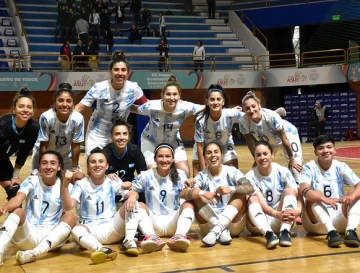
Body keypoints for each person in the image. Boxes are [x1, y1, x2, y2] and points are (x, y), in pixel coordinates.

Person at [61, 148, 142, 261]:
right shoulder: (81, 184)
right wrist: (65, 186)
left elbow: (132, 194)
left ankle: (129, 240)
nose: (97, 165)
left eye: (101, 161)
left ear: (107, 166)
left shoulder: (113, 181)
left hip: (112, 229)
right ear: (88, 167)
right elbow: (68, 206)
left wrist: (133, 196)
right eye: (93, 162)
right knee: (75, 230)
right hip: (90, 231)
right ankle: (102, 250)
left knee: (132, 202)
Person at [0, 151, 76, 266]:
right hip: (28, 235)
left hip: (50, 239)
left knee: (70, 217)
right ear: (39, 167)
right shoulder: (32, 180)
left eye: (52, 163)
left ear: (59, 167)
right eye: (44, 163)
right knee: (17, 211)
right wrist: (3, 208)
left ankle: (35, 253)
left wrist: (65, 185)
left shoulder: (66, 186)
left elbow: (67, 207)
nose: (48, 167)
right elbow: (17, 199)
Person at [182, 141, 253, 247]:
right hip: (209, 224)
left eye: (216, 152)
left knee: (240, 193)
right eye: (209, 153)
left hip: (233, 224)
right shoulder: (202, 176)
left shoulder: (232, 171)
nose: (213, 155)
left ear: (222, 155)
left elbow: (250, 188)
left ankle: (217, 229)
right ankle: (219, 229)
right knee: (195, 194)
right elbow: (183, 194)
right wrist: (202, 192)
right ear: (205, 157)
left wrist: (231, 189)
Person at [75, 57, 148, 155]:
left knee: (114, 167)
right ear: (110, 72)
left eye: (123, 70)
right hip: (97, 134)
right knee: (95, 164)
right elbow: (79, 107)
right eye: (116, 69)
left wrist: (165, 107)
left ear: (128, 73)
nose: (120, 73)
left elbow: (147, 105)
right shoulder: (99, 87)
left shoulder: (134, 88)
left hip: (118, 135)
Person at [131, 143, 195, 252]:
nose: (164, 160)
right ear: (154, 159)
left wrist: (190, 187)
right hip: (153, 224)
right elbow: (129, 189)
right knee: (140, 205)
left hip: (173, 223)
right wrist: (132, 195)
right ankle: (151, 237)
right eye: (160, 156)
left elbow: (188, 192)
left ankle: (179, 236)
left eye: (167, 156)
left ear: (173, 159)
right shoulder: (145, 175)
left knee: (188, 205)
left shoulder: (181, 175)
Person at [133, 81, 204, 177]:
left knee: (185, 172)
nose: (171, 98)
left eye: (175, 94)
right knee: (154, 174)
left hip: (173, 141)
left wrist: (226, 110)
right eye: (168, 94)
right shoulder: (152, 106)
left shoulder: (185, 107)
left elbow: (206, 107)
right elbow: (132, 108)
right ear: (162, 95)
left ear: (179, 96)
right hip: (151, 141)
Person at [299, 135, 360, 247]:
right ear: (315, 152)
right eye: (321, 148)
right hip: (315, 222)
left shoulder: (341, 166)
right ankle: (331, 232)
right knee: (315, 194)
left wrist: (352, 196)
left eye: (329, 147)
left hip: (339, 217)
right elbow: (303, 189)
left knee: (355, 194)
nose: (325, 150)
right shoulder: (309, 167)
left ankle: (350, 230)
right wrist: (323, 199)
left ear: (334, 150)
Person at [246, 141, 301, 249]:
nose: (262, 157)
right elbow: (262, 204)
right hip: (258, 224)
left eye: (265, 154)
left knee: (290, 191)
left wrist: (298, 211)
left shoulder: (282, 171)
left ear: (272, 155)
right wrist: (277, 214)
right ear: (255, 158)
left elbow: (298, 195)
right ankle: (269, 234)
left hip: (281, 218)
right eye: (258, 155)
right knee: (253, 198)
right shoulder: (249, 176)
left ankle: (284, 232)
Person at [239, 91, 303, 182]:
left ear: (259, 105)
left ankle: (299, 190)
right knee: (257, 167)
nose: (251, 110)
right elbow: (250, 142)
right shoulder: (243, 121)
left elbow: (284, 138)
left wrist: (291, 159)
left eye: (253, 106)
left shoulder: (271, 116)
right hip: (268, 140)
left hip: (288, 136)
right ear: (244, 110)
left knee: (295, 169)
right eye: (247, 108)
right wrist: (255, 158)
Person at [31, 83, 85, 181]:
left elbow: (75, 145)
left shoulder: (78, 118)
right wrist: (42, 166)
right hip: (44, 153)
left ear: (73, 104)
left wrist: (75, 169)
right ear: (55, 103)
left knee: (76, 179)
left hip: (65, 154)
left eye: (68, 101)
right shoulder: (46, 117)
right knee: (41, 180)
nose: (64, 104)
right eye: (60, 101)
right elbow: (44, 144)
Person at [192, 84, 243, 177]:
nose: (215, 102)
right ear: (207, 102)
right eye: (212, 99)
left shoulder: (231, 114)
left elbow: (250, 115)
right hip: (204, 147)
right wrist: (203, 173)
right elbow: (200, 146)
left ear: (223, 101)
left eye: (218, 99)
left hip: (225, 145)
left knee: (232, 174)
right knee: (197, 176)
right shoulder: (201, 119)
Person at [0, 88, 39, 202]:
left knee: (14, 190)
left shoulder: (33, 128)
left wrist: (15, 175)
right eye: (21, 106)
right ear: (14, 109)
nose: (25, 110)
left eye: (29, 107)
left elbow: (24, 152)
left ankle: (15, 218)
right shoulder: (3, 125)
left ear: (33, 111)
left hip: (2, 158)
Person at [102, 120, 147, 204]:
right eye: (117, 134)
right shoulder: (105, 152)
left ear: (129, 136)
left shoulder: (134, 150)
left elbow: (143, 173)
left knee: (143, 192)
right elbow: (97, 176)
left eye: (125, 134)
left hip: (130, 186)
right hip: (112, 187)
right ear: (111, 136)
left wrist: (132, 183)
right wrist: (106, 175)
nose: (121, 137)